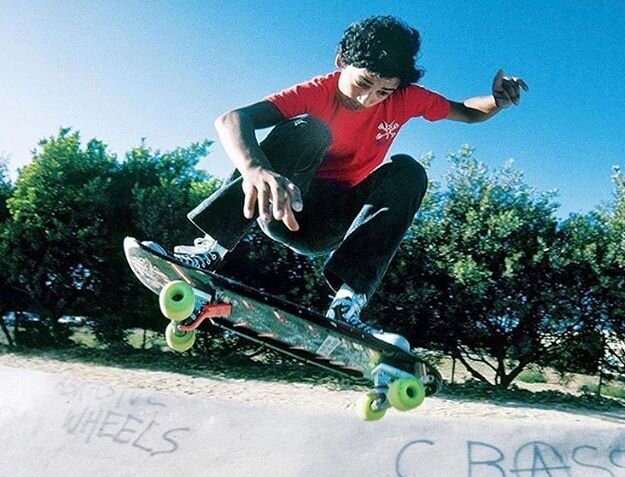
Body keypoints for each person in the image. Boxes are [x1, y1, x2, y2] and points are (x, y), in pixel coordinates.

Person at [151, 15, 527, 338]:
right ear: (341, 60)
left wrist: (497, 101)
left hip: (334, 223)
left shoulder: (408, 98)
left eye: (384, 91)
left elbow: (465, 111)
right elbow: (233, 118)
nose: (369, 99)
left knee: (408, 170)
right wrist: (255, 168)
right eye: (363, 83)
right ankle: (209, 250)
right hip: (285, 205)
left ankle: (348, 304)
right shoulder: (317, 92)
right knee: (308, 129)